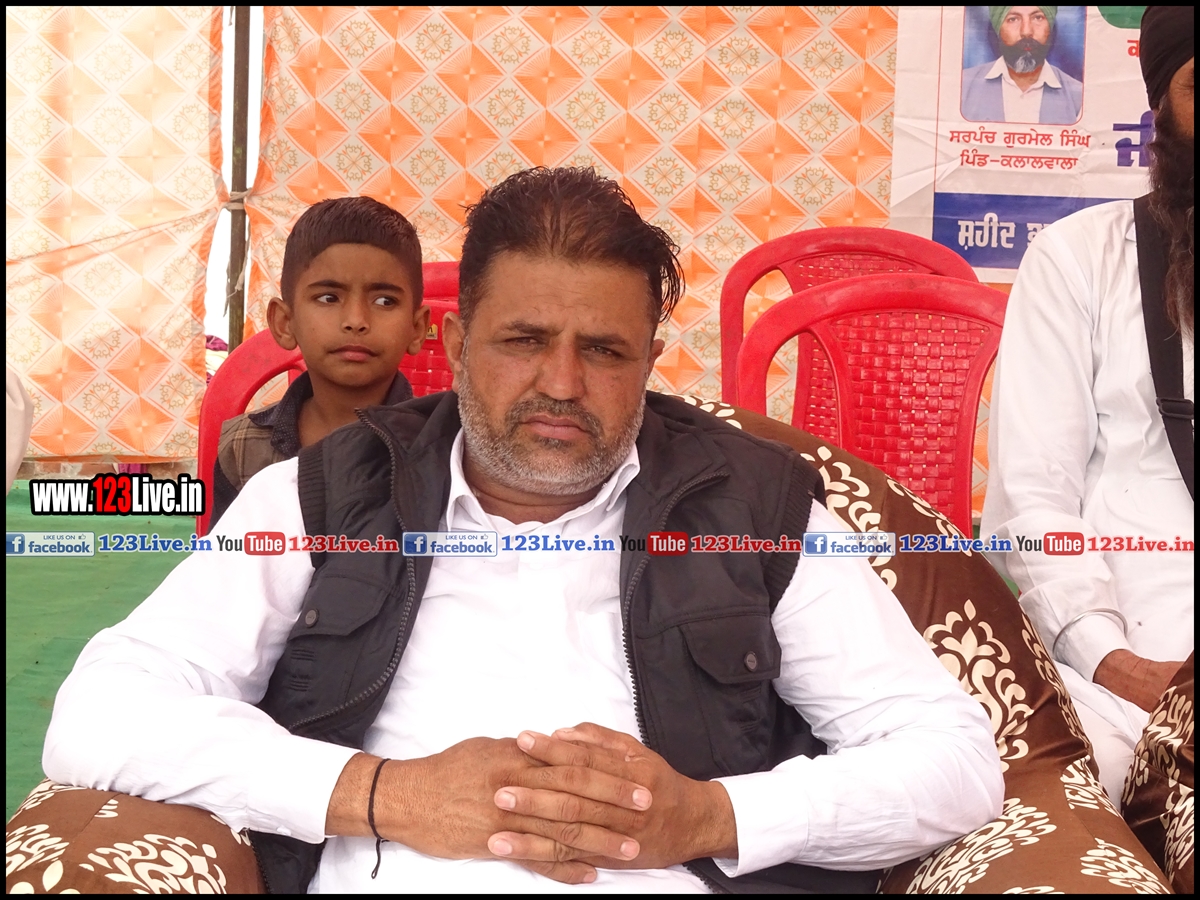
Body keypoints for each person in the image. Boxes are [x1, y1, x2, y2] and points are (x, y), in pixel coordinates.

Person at [44, 168, 1003, 893]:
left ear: (649, 363)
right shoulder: (324, 497)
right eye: (525, 341)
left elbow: (955, 761)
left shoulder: (751, 508)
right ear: (458, 344)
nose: (562, 384)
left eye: (605, 351)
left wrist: (711, 815)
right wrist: (383, 794)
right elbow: (102, 712)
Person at [982, 7, 1193, 805]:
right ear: (1162, 112)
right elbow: (1033, 500)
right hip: (1124, 680)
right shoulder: (1078, 260)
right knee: (1051, 798)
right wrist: (1116, 663)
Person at [208, 196, 429, 526]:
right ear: (285, 323)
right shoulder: (243, 449)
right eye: (328, 297)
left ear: (417, 328)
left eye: (384, 301)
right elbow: (224, 556)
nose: (355, 320)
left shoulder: (440, 449)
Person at [961, 6, 1084, 125]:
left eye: (1038, 18)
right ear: (997, 30)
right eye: (1013, 19)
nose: (1026, 31)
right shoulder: (962, 88)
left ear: (1050, 28)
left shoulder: (1079, 97)